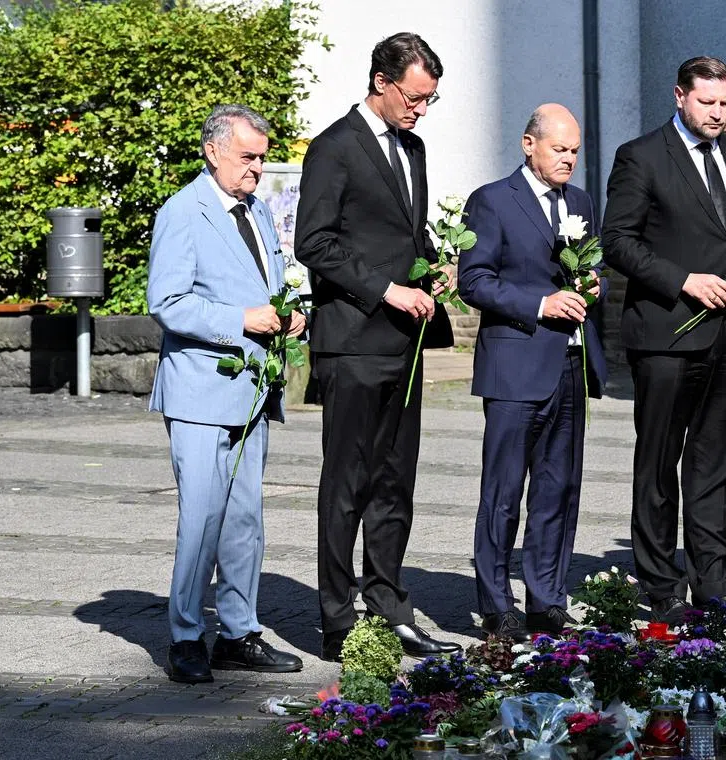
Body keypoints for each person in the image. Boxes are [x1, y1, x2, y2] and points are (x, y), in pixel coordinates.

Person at [295, 32, 458, 660]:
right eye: (414, 97)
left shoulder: (413, 147)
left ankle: (389, 608)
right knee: (348, 484)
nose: (421, 110)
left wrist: (434, 266)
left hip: (404, 343)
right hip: (353, 339)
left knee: (395, 482)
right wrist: (387, 290)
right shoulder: (334, 147)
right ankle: (338, 620)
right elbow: (314, 242)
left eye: (430, 99)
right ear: (381, 83)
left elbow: (406, 234)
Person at [602, 57, 726, 625]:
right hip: (665, 334)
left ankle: (715, 585)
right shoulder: (641, 156)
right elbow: (617, 241)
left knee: (718, 466)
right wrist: (683, 281)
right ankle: (661, 587)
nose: (718, 113)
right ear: (680, 96)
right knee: (658, 466)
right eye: (707, 102)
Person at [148, 104, 306, 683]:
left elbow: (269, 283)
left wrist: (291, 314)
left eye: (262, 158)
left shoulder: (256, 209)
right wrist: (241, 319)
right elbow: (166, 302)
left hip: (253, 388)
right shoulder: (182, 211)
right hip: (200, 390)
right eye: (247, 157)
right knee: (202, 518)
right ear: (213, 150)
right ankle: (186, 637)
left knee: (244, 519)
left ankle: (238, 633)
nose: (257, 168)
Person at [458, 104, 607, 641]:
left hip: (569, 364)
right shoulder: (492, 200)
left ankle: (546, 600)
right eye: (558, 149)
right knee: (503, 493)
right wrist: (542, 305)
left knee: (558, 490)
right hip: (515, 367)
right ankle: (497, 606)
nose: (569, 159)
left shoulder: (581, 202)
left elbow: (594, 266)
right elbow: (473, 280)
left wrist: (594, 285)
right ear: (529, 144)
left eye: (575, 151)